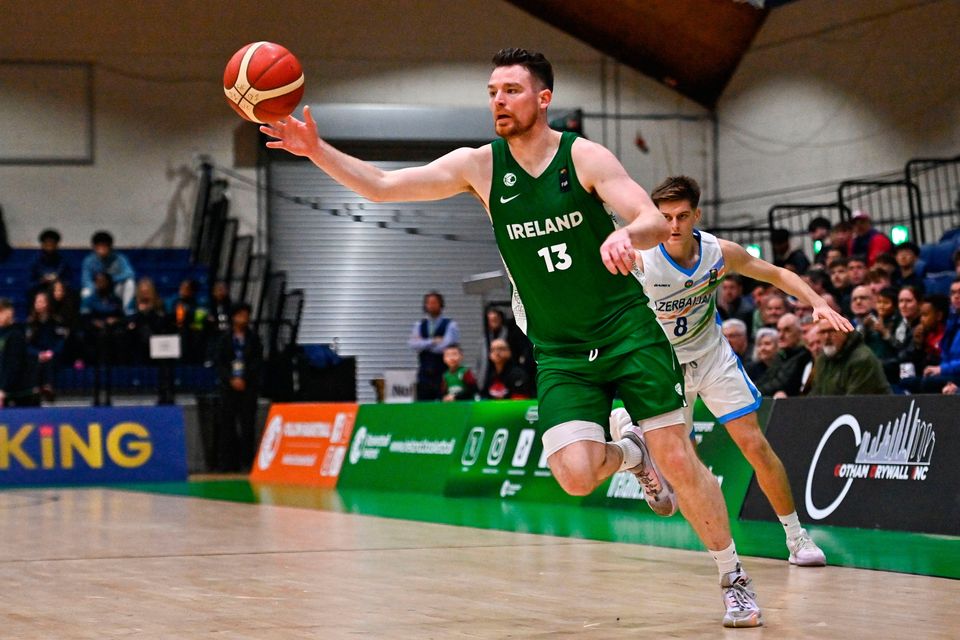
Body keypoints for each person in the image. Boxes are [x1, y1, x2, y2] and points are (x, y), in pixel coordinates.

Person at [262, 48, 763, 627]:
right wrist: (314, 149)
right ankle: (631, 453)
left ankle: (734, 577)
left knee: (680, 456)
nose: (498, 100)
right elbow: (381, 185)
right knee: (575, 476)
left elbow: (648, 216)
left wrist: (629, 234)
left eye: (511, 90)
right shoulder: (480, 166)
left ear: (542, 98)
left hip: (628, 331)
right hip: (561, 350)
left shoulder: (584, 156)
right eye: (492, 91)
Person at [627, 175, 848, 568]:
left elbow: (777, 274)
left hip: (711, 356)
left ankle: (796, 538)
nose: (673, 226)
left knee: (756, 447)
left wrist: (818, 302)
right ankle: (655, 468)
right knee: (684, 467)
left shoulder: (719, 252)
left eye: (682, 216)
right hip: (665, 366)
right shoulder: (641, 258)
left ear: (696, 214)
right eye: (665, 218)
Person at [214, 303, 262, 472]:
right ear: (233, 317)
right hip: (229, 388)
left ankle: (247, 462)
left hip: (248, 387)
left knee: (248, 424)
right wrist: (231, 379)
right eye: (240, 315)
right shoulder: (224, 339)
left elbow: (257, 362)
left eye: (246, 315)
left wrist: (244, 378)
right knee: (227, 425)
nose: (244, 318)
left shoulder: (254, 338)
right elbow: (220, 363)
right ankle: (227, 463)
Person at [899, 280, 960, 394]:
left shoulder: (947, 327)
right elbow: (945, 356)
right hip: (949, 373)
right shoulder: (952, 325)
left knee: (925, 383)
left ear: (939, 316)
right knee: (906, 381)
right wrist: (918, 345)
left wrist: (941, 369)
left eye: (959, 292)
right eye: (953, 293)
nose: (956, 296)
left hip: (954, 374)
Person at [809, 317, 892, 395]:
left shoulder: (862, 359)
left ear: (845, 331)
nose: (827, 337)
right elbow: (815, 395)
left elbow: (854, 402)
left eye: (832, 331)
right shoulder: (822, 360)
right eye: (823, 332)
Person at [408, 291, 461, 401]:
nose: (431, 305)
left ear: (440, 304)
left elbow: (446, 346)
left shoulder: (450, 324)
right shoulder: (419, 324)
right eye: (429, 303)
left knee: (443, 402)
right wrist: (432, 342)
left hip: (443, 372)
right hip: (424, 372)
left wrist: (423, 343)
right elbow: (413, 344)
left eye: (434, 302)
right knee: (423, 403)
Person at [754, 313, 810, 397]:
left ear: (799, 333)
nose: (781, 335)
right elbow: (766, 378)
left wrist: (752, 393)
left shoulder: (803, 356)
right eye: (779, 330)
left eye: (787, 330)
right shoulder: (782, 355)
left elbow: (781, 384)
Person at [81, 231, 136, 315]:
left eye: (105, 246)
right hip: (97, 289)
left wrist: (111, 280)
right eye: (99, 246)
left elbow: (130, 273)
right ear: (94, 247)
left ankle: (128, 312)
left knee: (130, 283)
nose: (102, 249)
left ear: (110, 247)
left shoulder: (119, 258)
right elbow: (86, 279)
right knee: (85, 292)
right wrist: (97, 286)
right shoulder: (89, 260)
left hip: (114, 288)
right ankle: (85, 313)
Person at [25, 291, 66, 401]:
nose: (39, 304)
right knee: (34, 360)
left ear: (48, 303)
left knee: (49, 361)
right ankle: (34, 390)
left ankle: (48, 388)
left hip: (52, 353)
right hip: (36, 353)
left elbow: (60, 341)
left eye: (42, 301)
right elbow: (27, 344)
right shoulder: (31, 322)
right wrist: (37, 353)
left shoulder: (56, 321)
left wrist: (51, 352)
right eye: (37, 302)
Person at [0, 298, 39, 407]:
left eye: (0, 312)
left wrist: (3, 389)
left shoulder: (16, 334)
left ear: (9, 312)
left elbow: (13, 365)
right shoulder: (2, 334)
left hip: (20, 393)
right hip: (7, 391)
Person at [29, 228, 72, 297]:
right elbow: (29, 284)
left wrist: (59, 281)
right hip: (40, 292)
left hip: (59, 294)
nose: (49, 246)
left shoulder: (63, 261)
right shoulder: (34, 261)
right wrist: (41, 281)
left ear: (57, 245)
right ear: (42, 244)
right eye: (47, 243)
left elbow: (70, 282)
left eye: (52, 243)